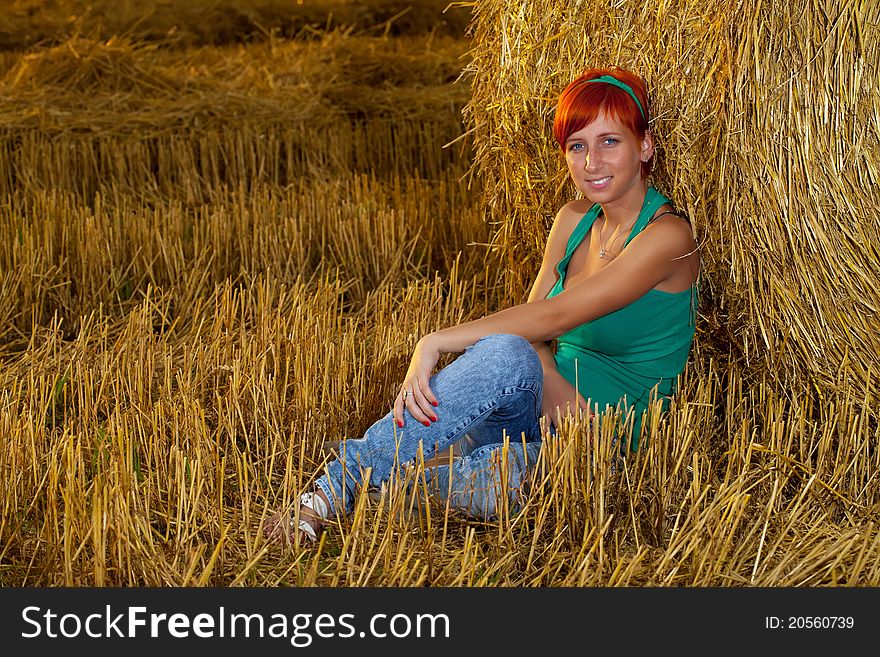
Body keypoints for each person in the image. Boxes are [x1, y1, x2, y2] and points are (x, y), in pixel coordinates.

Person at [264, 66, 701, 545]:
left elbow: (555, 316)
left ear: (645, 146)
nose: (592, 162)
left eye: (609, 142)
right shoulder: (572, 219)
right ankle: (333, 489)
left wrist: (436, 341)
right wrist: (550, 380)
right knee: (503, 353)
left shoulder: (668, 238)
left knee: (486, 480)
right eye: (577, 146)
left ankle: (395, 464)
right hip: (533, 406)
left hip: (596, 443)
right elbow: (529, 329)